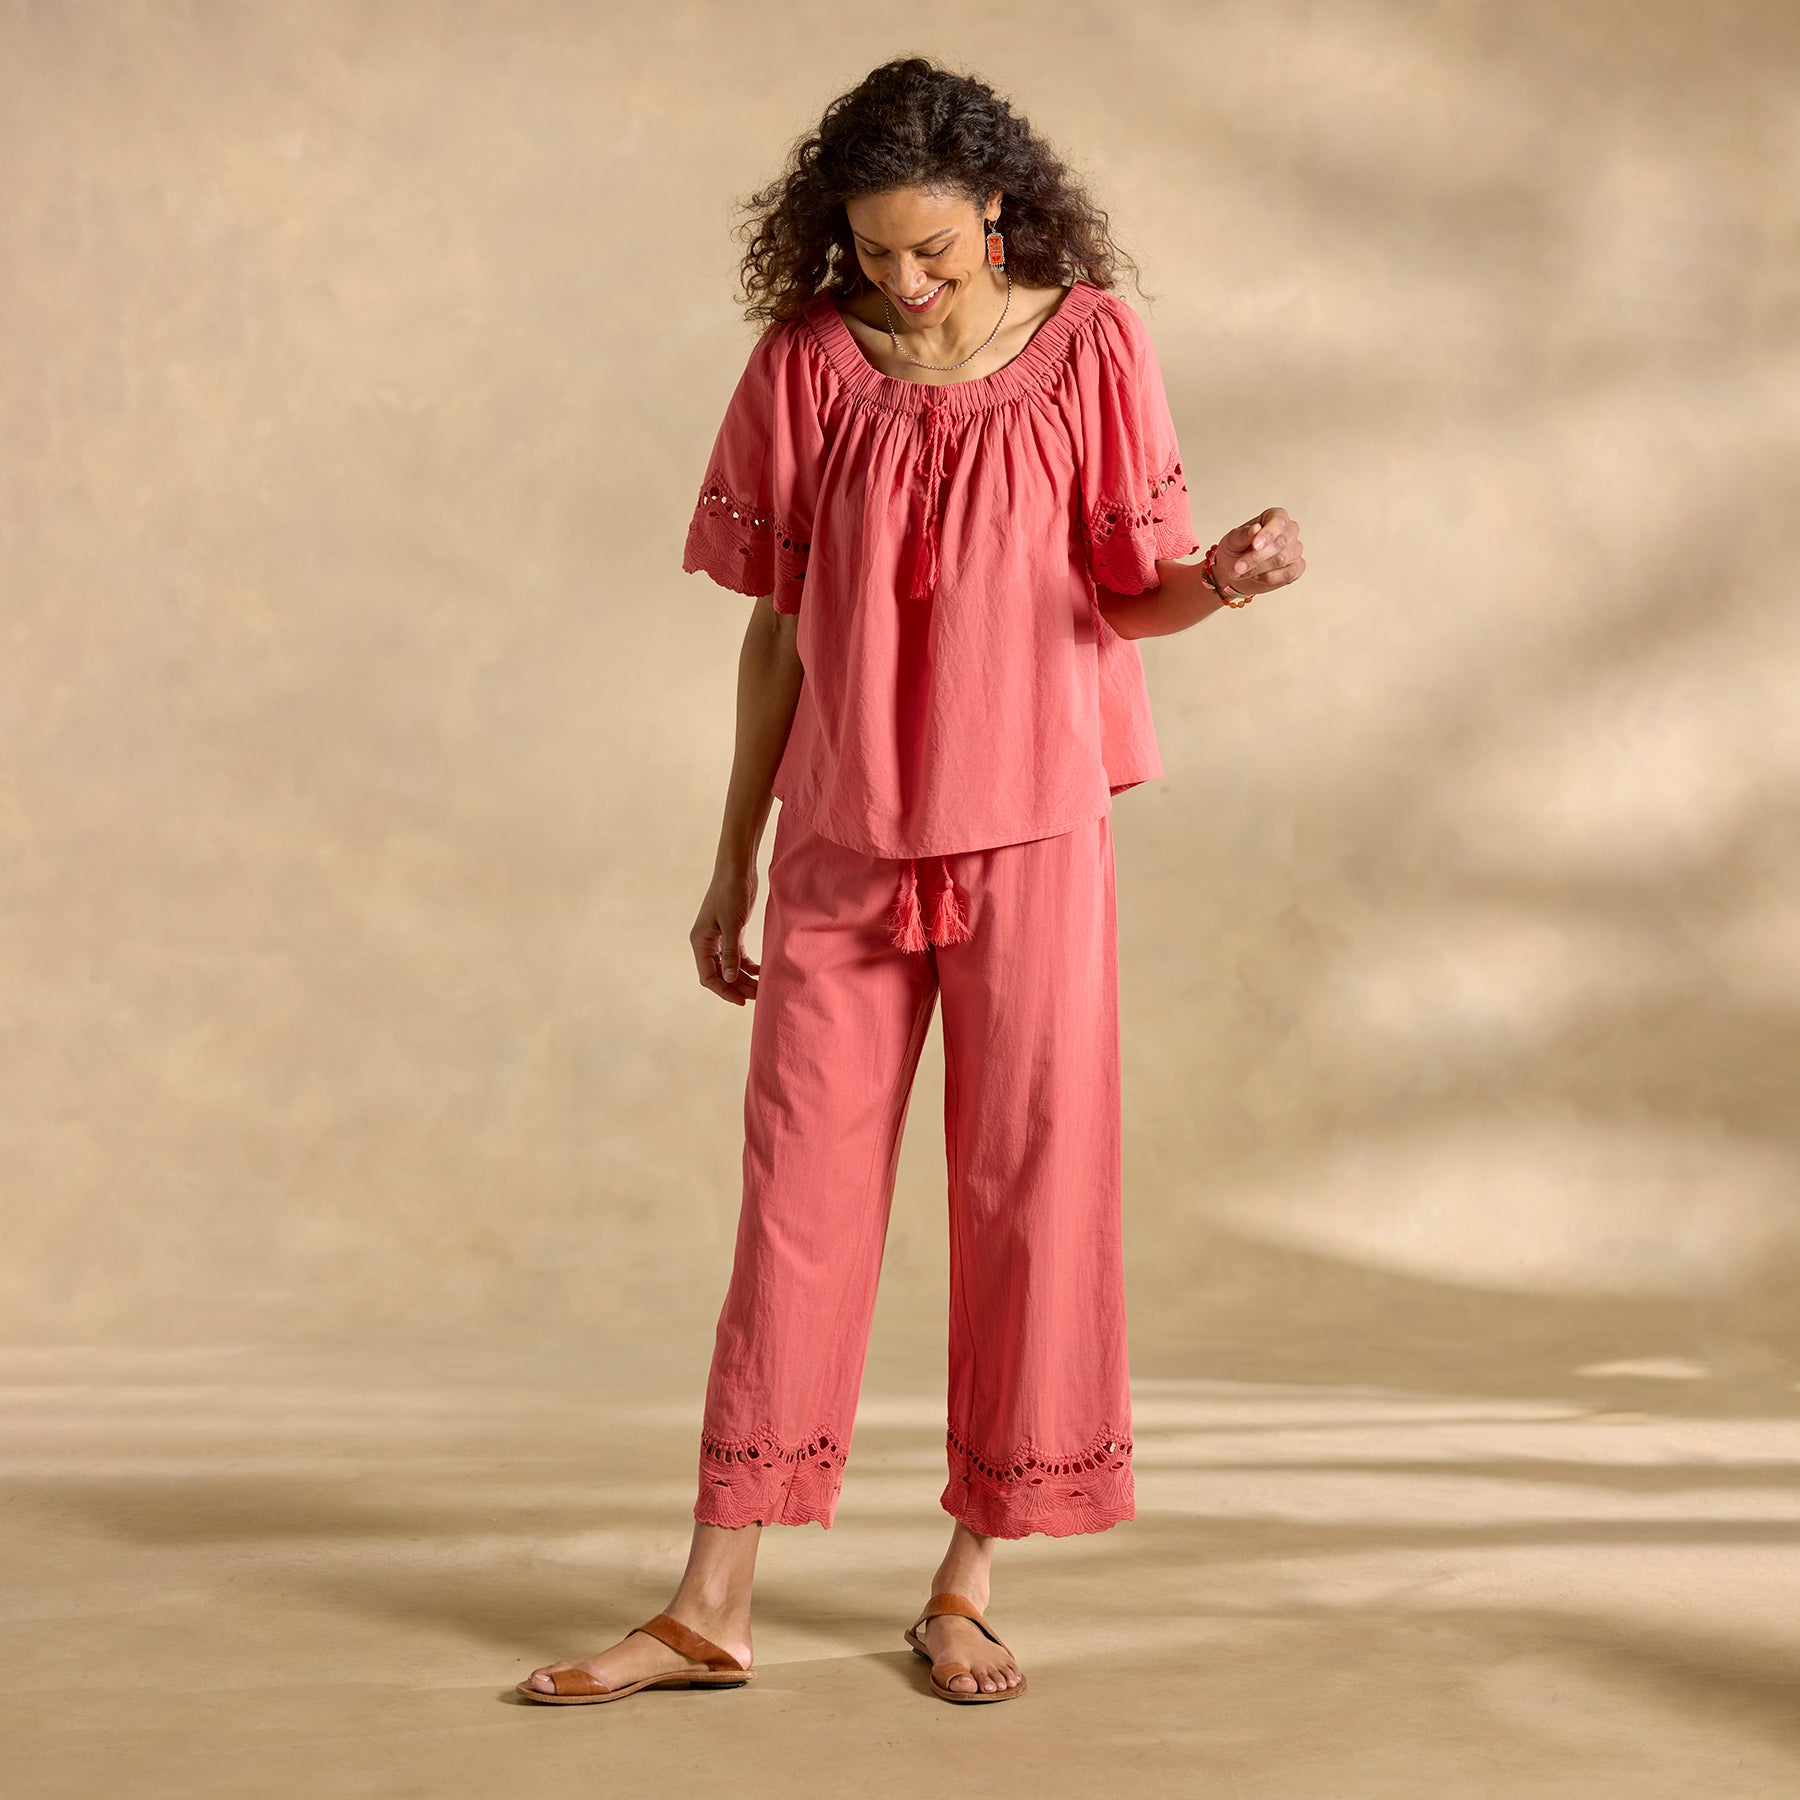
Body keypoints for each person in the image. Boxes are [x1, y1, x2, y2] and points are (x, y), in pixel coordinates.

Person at [520, 55, 1304, 1708]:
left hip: (1034, 833)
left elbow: (1130, 592)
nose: (905, 278)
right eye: (874, 250)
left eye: (932, 247)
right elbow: (778, 630)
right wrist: (730, 860)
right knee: (794, 1208)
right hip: (844, 837)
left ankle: (967, 1578)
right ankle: (711, 1603)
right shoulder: (806, 365)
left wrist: (1222, 581)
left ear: (998, 208)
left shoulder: (1093, 347)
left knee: (1030, 1190)